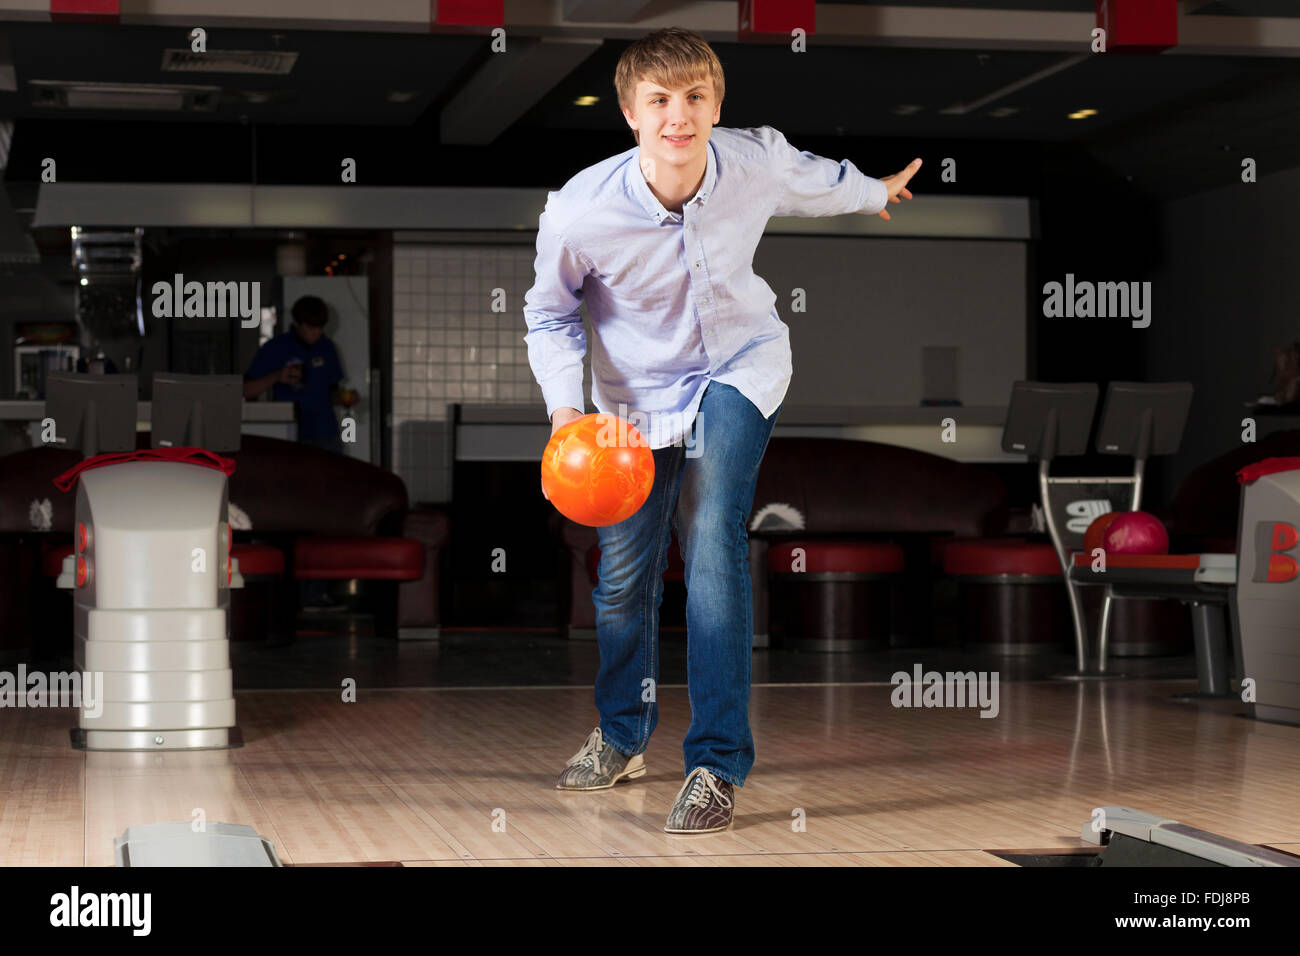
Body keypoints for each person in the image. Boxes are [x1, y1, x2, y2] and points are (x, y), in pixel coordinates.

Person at [523, 26, 920, 833]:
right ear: (631, 114)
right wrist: (568, 412)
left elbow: (818, 180)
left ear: (716, 106)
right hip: (629, 405)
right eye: (660, 101)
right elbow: (549, 316)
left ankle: (714, 764)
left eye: (695, 98)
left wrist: (877, 192)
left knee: (711, 543)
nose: (680, 115)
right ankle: (623, 734)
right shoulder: (578, 211)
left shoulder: (752, 160)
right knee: (625, 577)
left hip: (740, 367)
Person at [243, 295, 354, 455]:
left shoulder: (327, 347)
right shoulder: (275, 348)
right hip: (288, 434)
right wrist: (277, 376)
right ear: (296, 323)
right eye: (311, 327)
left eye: (320, 327)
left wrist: (346, 398)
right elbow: (246, 390)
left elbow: (332, 392)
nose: (317, 333)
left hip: (326, 434)